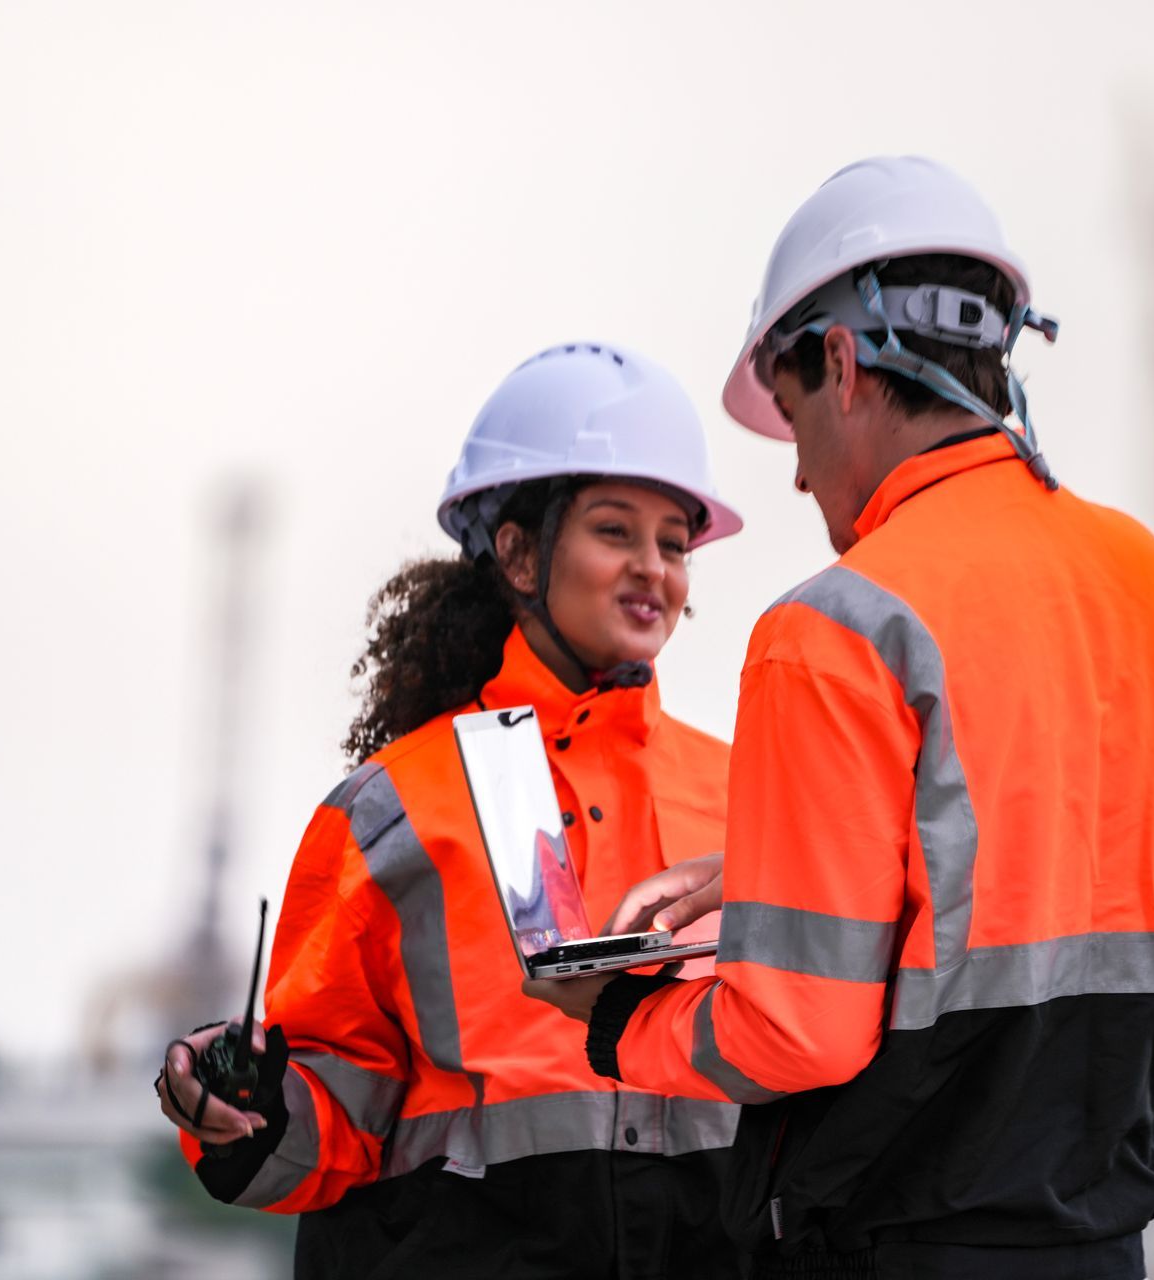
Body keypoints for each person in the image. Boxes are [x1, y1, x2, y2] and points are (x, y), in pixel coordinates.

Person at [529, 157, 1154, 1279]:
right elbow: (1036, 877)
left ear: (846, 362)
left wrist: (611, 1010)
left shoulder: (840, 626)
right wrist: (778, 862)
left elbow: (791, 1029)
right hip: (1103, 1248)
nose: (802, 478)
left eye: (795, 413)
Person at [154, 340, 748, 1278]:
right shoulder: (396, 808)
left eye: (673, 543)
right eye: (613, 531)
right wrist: (247, 1116)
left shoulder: (745, 795)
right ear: (516, 551)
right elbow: (335, 1115)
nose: (653, 570)